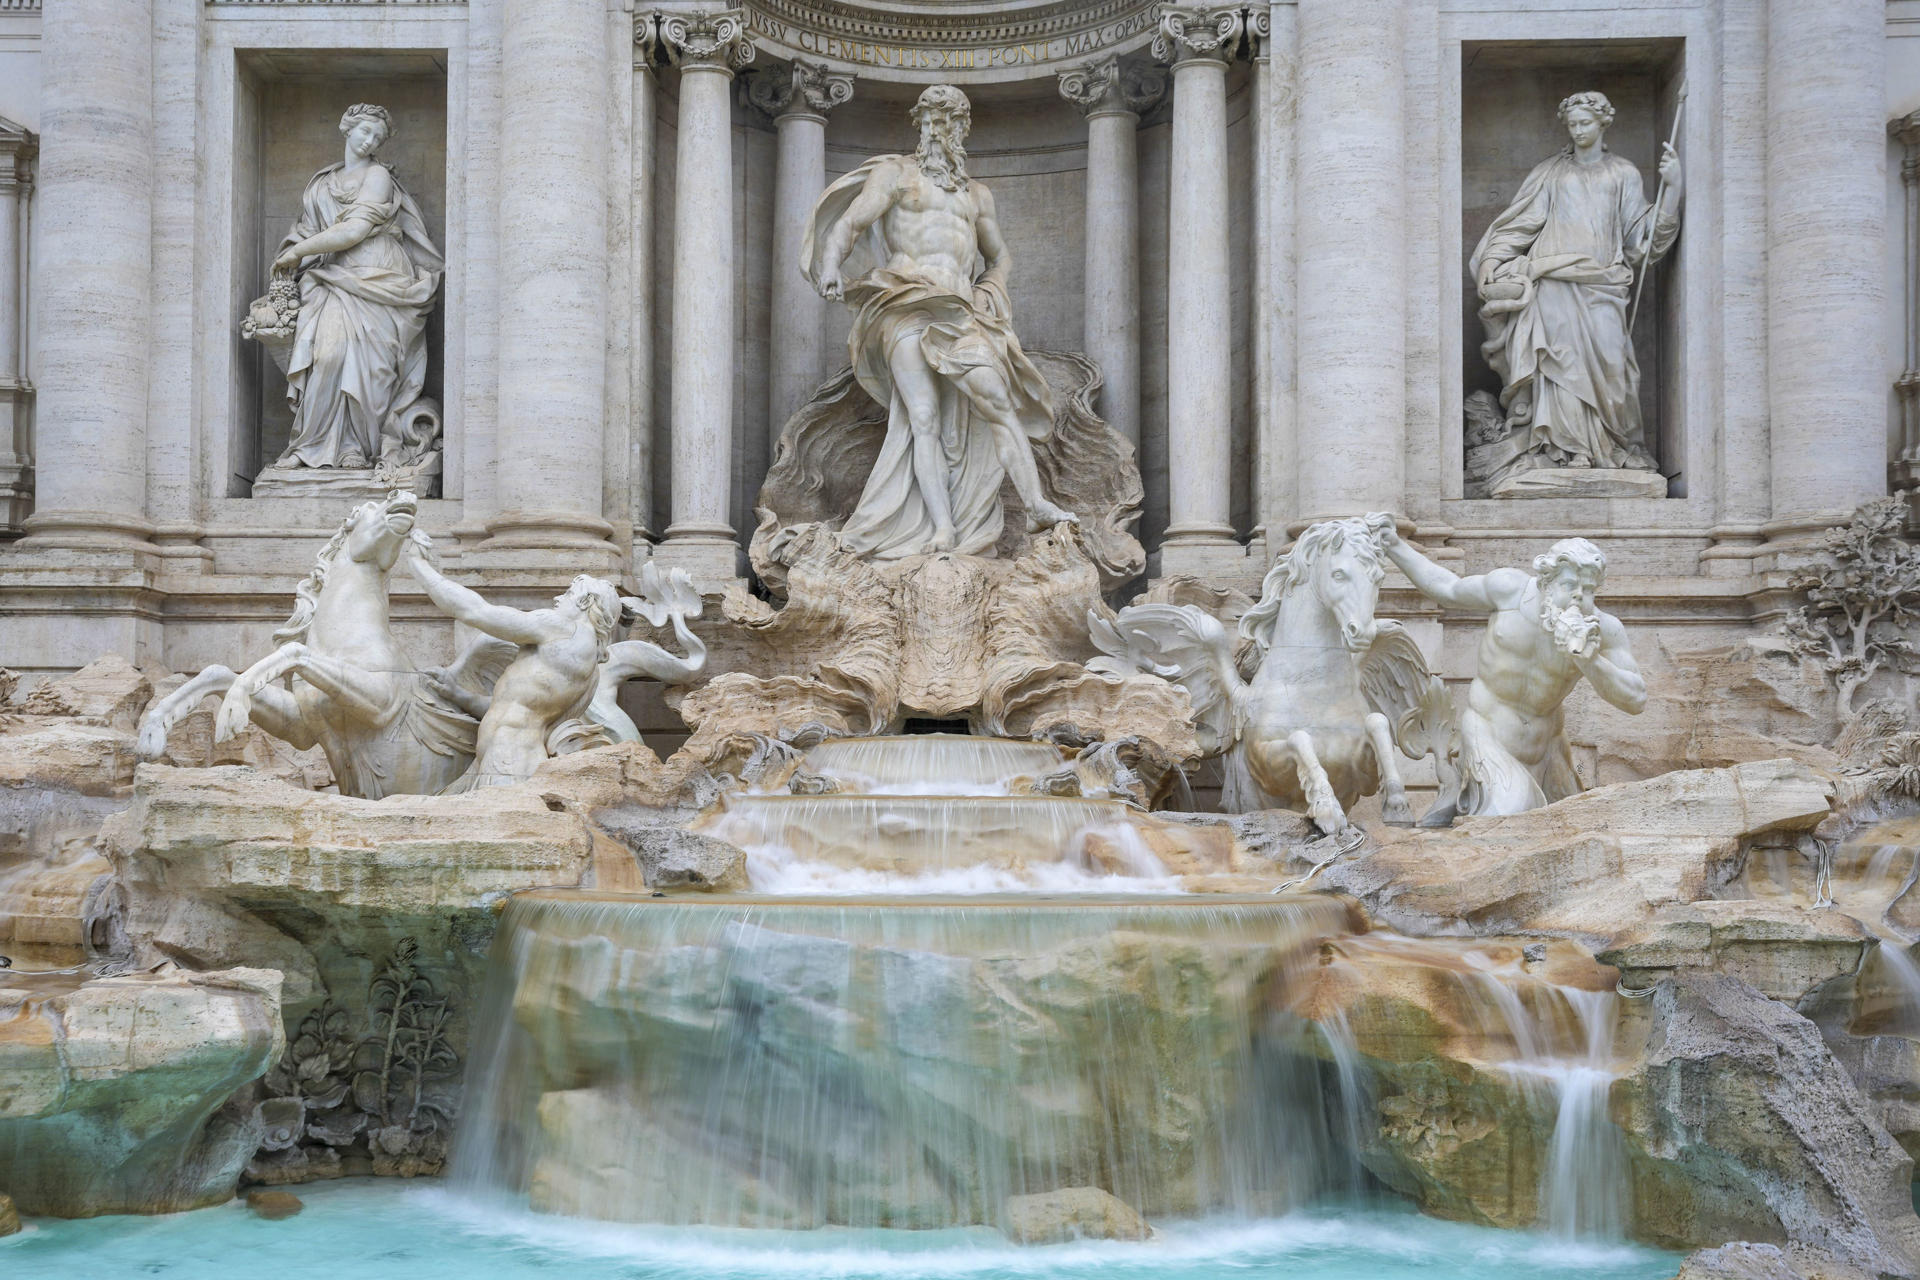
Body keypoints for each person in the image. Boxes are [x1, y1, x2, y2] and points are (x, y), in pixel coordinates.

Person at [803, 84, 1078, 560]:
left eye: (947, 122)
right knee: (922, 417)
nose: (937, 130)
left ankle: (1035, 504)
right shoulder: (896, 174)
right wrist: (830, 266)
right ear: (919, 124)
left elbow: (1000, 256)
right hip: (904, 303)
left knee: (997, 400)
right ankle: (942, 529)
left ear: (961, 131)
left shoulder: (976, 196)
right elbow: (850, 224)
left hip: (958, 311)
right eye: (930, 120)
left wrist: (992, 290)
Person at [1470, 91, 1680, 485]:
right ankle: (1563, 449)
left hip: (1603, 283)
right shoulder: (1552, 173)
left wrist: (1672, 191)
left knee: (1613, 367)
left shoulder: (1623, 173)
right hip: (1553, 283)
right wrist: (1491, 261)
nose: (1579, 130)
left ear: (1603, 124)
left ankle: (1612, 446)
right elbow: (1519, 225)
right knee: (1556, 364)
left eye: (1586, 123)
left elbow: (1643, 241)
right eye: (1573, 124)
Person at [1377, 526, 1646, 818]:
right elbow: (1446, 588)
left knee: (1568, 825)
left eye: (1589, 589)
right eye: (1570, 586)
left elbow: (1635, 699)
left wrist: (1588, 660)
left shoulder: (1603, 629)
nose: (1579, 598)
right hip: (1488, 735)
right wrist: (1394, 546)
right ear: (1547, 582)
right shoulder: (1509, 591)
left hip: (1547, 749)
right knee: (1509, 817)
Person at [270, 103, 442, 471]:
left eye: (378, 137)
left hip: (379, 275)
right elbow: (308, 229)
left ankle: (356, 449)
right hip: (332, 277)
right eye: (365, 131)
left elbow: (354, 230)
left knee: (371, 368)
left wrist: (299, 251)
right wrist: (294, 252)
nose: (370, 141)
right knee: (328, 357)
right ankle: (311, 446)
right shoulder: (320, 184)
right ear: (347, 128)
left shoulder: (378, 176)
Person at [405, 547, 626, 790]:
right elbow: (513, 706)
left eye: (568, 593)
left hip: (508, 762)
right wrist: (456, 694)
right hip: (506, 760)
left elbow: (476, 611)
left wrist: (419, 565)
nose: (557, 599)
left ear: (585, 602)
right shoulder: (587, 665)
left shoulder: (563, 628)